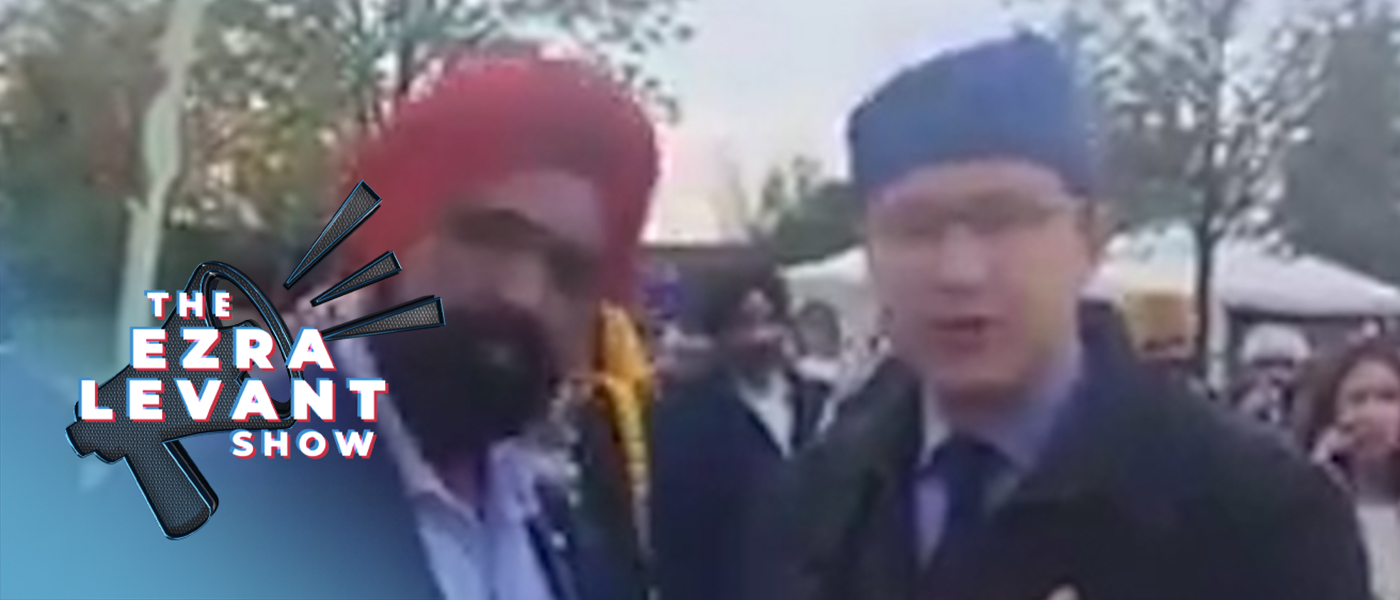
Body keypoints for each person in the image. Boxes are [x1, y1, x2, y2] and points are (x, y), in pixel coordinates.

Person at [743, 33, 1370, 600]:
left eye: (1003, 219)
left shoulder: (1259, 513)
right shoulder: (816, 501)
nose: (959, 270)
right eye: (914, 227)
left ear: (1091, 234)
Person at [193, 51, 661, 600]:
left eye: (569, 272)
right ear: (393, 235)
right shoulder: (217, 494)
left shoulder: (556, 526)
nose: (523, 295)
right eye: (488, 237)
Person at [651, 264, 831, 600]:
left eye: (769, 320)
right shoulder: (686, 419)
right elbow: (679, 546)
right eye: (745, 324)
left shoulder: (821, 406)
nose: (760, 337)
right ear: (719, 334)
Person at [1301, 338, 1400, 600]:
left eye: (1388, 397)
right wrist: (1316, 479)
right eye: (1358, 399)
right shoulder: (1309, 497)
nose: (1372, 413)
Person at [1232, 323, 1313, 429]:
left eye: (1288, 365)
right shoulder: (1235, 404)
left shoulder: (1304, 406)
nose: (1277, 373)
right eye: (1266, 364)